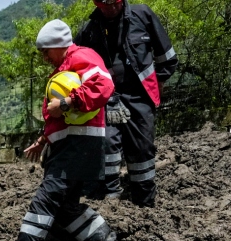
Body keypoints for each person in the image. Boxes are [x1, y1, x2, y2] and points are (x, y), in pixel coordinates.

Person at [0, 19, 122, 241]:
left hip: (79, 145)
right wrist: (44, 138)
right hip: (71, 144)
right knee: (65, 208)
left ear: (58, 45)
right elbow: (61, 116)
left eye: (46, 50)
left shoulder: (82, 57)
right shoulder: (65, 68)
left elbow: (103, 86)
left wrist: (67, 102)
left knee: (45, 200)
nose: (44, 57)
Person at [74, 0, 177, 207]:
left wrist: (159, 82)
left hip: (139, 97)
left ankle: (145, 202)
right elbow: (74, 63)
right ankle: (111, 202)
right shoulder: (89, 30)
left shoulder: (143, 15)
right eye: (104, 5)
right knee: (107, 144)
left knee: (142, 149)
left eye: (114, 3)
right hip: (106, 99)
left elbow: (167, 57)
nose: (110, 8)